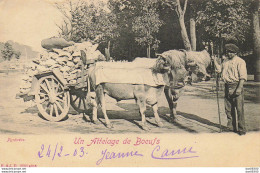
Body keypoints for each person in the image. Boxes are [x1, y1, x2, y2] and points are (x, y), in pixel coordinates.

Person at [213, 43, 247, 135]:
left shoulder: (240, 62)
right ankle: (231, 127)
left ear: (235, 53)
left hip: (236, 85)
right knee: (228, 109)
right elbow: (219, 70)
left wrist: (239, 88)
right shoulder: (225, 61)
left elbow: (242, 77)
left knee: (239, 109)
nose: (228, 54)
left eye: (230, 52)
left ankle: (241, 129)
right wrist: (215, 61)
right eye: (227, 52)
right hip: (227, 86)